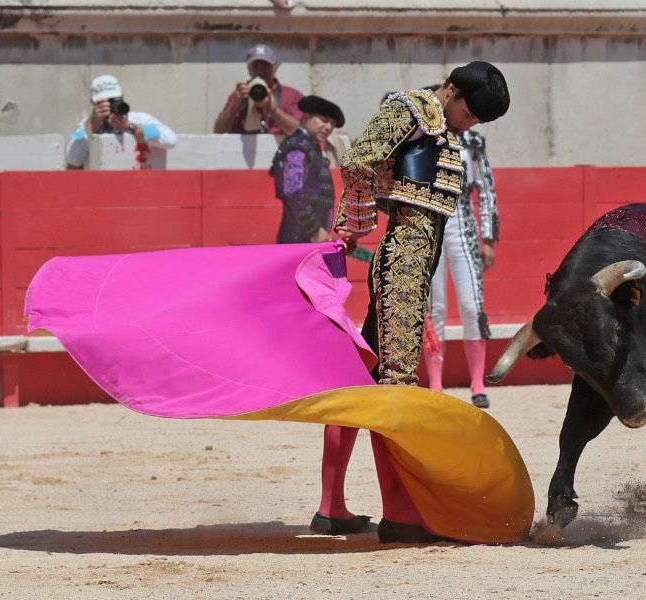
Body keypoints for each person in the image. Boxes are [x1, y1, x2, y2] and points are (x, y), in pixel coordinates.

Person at [326, 61, 510, 543]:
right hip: (404, 262)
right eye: (468, 112)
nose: (469, 124)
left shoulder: (441, 123)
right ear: (450, 90)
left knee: (362, 379)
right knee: (396, 386)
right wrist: (359, 220)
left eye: (476, 121)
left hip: (414, 263)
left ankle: (332, 506)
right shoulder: (411, 107)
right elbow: (359, 158)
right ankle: (401, 515)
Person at [425, 128, 500, 409]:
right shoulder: (424, 134)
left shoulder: (472, 140)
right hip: (429, 228)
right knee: (436, 308)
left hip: (464, 227)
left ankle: (478, 385)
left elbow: (486, 189)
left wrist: (489, 238)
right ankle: (435, 385)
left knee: (471, 306)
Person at [269, 95, 345, 244]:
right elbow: (293, 192)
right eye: (324, 120)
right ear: (305, 117)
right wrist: (314, 230)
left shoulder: (310, 148)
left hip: (305, 240)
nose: (329, 128)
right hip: (297, 241)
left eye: (332, 123)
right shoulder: (297, 148)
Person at [66, 75, 177, 169]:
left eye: (115, 99)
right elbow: (73, 159)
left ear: (122, 96)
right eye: (105, 101)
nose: (111, 105)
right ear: (93, 103)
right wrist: (92, 125)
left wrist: (129, 127)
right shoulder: (88, 126)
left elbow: (171, 140)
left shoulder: (138, 119)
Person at [213, 43, 304, 135]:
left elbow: (302, 133)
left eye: (265, 66)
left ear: (274, 68)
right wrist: (234, 105)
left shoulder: (291, 96)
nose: (260, 71)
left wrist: (273, 110)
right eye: (255, 66)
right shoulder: (239, 95)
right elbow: (219, 132)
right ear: (249, 69)